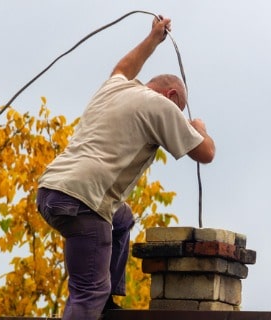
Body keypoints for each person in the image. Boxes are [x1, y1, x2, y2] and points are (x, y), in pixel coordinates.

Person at [36, 15, 215, 320]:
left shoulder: (117, 88)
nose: (177, 117)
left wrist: (153, 38)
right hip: (85, 202)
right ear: (171, 96)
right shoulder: (161, 106)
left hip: (52, 190)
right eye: (179, 110)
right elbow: (206, 153)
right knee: (88, 291)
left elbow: (123, 67)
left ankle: (105, 302)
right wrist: (198, 128)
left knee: (122, 218)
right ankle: (98, 299)